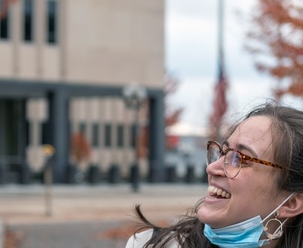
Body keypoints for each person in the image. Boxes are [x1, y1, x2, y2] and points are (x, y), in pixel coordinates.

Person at [126, 102, 303, 248]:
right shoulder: (148, 244)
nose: (212, 168)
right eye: (223, 152)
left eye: (241, 159)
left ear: (291, 202)